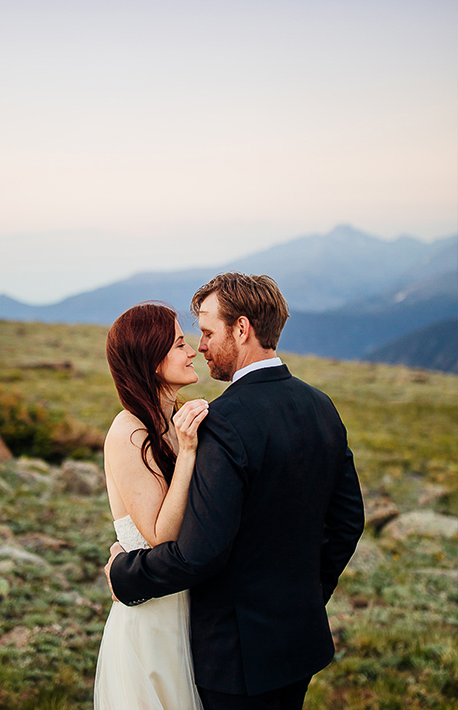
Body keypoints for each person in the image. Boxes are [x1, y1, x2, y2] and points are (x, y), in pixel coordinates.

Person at [106, 274, 365, 710]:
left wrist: (124, 574)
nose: (200, 346)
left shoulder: (222, 422)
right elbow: (346, 522)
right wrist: (300, 597)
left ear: (241, 329)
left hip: (234, 658)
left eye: (206, 333)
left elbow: (200, 552)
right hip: (298, 644)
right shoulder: (320, 404)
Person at [93, 302, 208, 710]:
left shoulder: (174, 420)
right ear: (152, 359)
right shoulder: (129, 431)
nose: (192, 350)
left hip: (189, 610)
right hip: (152, 622)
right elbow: (161, 535)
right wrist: (190, 452)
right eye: (179, 343)